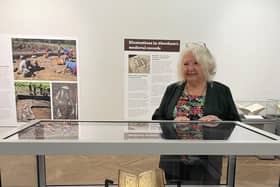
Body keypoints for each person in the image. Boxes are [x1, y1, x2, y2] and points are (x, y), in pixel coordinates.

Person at [152, 43, 240, 185]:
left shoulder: (221, 91)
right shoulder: (172, 89)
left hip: (208, 161)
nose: (190, 68)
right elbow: (157, 117)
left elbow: (236, 123)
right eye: (186, 64)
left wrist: (219, 122)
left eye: (196, 63)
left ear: (207, 66)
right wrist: (173, 121)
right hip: (173, 159)